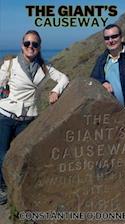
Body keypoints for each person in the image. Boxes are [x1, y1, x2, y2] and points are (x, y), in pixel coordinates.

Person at [0, 30, 69, 204]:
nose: (31, 47)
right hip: (6, 115)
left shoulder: (45, 67)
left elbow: (64, 78)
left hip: (28, 118)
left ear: (39, 47)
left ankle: (21, 188)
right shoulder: (10, 65)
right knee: (2, 154)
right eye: (27, 43)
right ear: (21, 45)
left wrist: (55, 90)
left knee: (23, 154)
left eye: (35, 44)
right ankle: (3, 189)